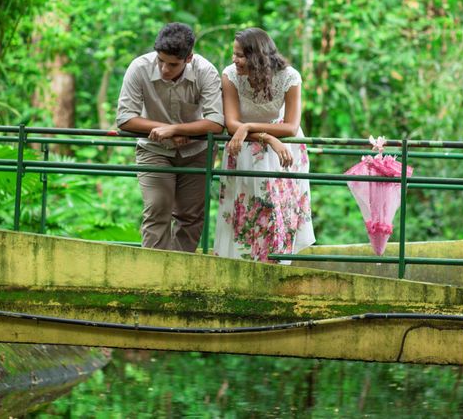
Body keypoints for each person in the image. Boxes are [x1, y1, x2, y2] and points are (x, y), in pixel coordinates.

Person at [116, 22, 224, 252]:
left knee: (191, 216)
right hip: (154, 150)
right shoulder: (139, 68)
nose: (164, 69)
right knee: (157, 208)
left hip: (197, 151)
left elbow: (216, 123)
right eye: (160, 60)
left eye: (172, 64)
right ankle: (153, 275)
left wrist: (176, 130)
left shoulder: (206, 71)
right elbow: (125, 118)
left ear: (189, 58)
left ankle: (178, 273)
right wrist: (165, 129)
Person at [213, 27, 315, 262]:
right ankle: (243, 263)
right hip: (246, 148)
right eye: (234, 54)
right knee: (247, 211)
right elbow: (231, 124)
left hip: (283, 148)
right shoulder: (230, 76)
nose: (234, 59)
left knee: (277, 208)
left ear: (257, 56)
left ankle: (276, 262)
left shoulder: (289, 77)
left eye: (240, 55)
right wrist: (265, 138)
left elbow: (290, 126)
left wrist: (248, 127)